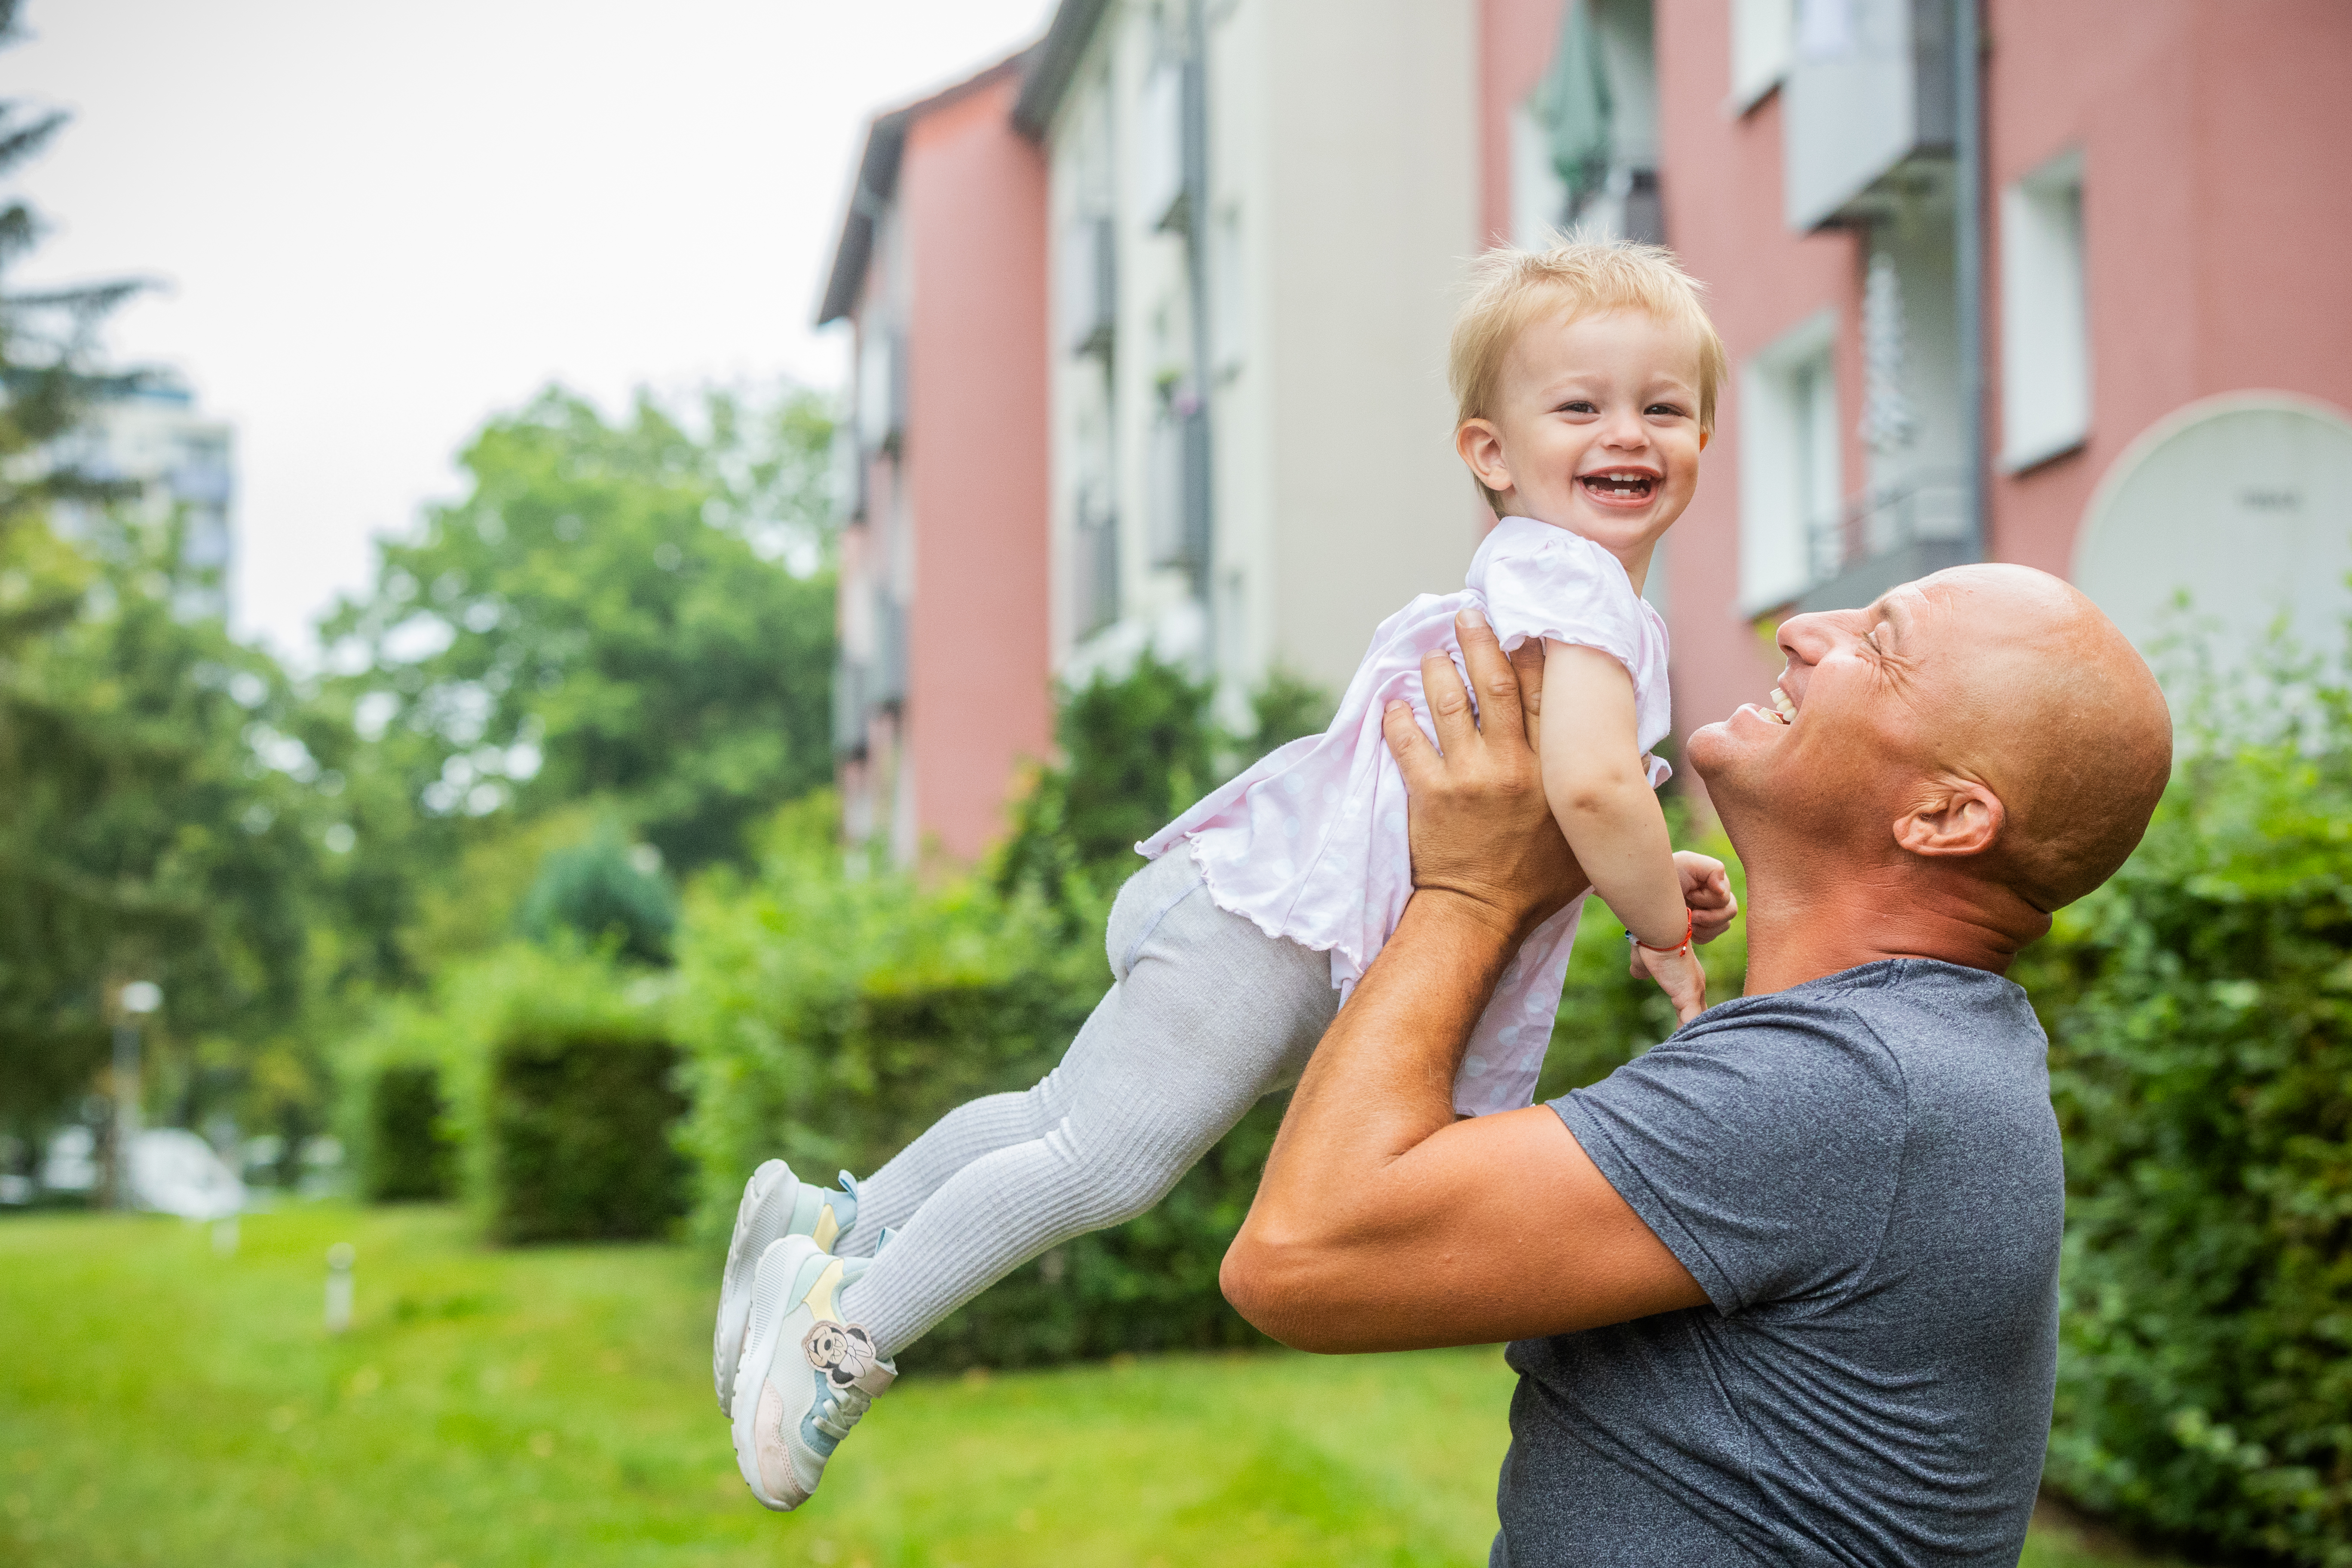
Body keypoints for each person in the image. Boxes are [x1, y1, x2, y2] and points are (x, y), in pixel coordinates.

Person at [713, 238, 1743, 1512]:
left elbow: (1563, 799)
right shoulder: (1586, 589)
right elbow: (1586, 790)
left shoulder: (1553, 580)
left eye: (1664, 409)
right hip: (1282, 933)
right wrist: (1659, 924)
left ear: (1704, 437)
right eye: (1580, 407)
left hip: (1262, 901)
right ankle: (841, 1335)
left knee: (1055, 1117)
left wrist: (1644, 861)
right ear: (1491, 451)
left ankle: (827, 1228)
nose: (1627, 433)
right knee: (1102, 1161)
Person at [1218, 570, 2174, 1565]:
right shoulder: (1910, 1056)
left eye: (1880, 644)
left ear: (1942, 816)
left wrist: (1473, 889)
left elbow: (1299, 1257)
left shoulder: (1850, 1084)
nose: (1800, 629)